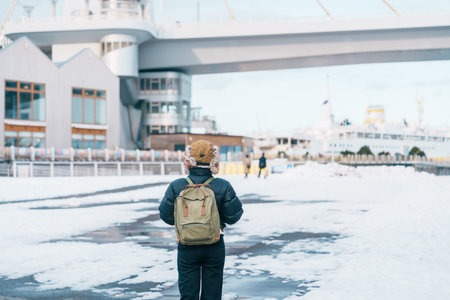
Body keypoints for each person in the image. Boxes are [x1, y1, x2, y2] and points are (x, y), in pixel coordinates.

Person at [159, 140, 244, 300]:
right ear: (213, 159)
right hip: (214, 244)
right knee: (212, 294)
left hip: (186, 246)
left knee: (188, 294)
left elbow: (166, 216)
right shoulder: (223, 186)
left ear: (190, 159)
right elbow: (234, 216)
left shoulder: (177, 186)